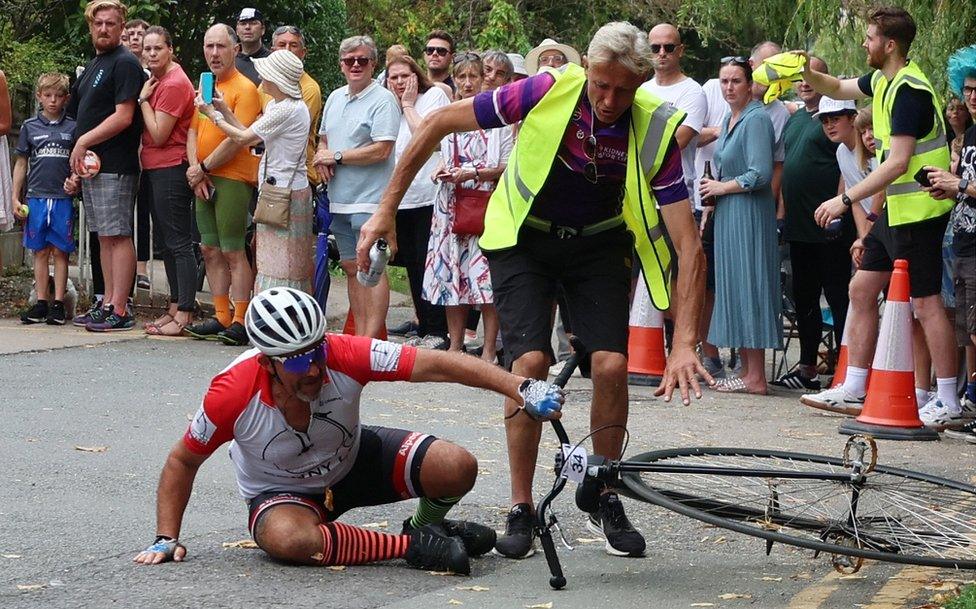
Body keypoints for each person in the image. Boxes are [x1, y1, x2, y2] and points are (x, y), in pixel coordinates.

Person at [359, 21, 711, 559]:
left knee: (614, 366)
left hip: (597, 246)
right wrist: (386, 208)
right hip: (525, 238)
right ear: (588, 71)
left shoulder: (657, 130)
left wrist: (683, 342)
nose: (610, 99)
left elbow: (689, 246)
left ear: (642, 82)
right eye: (601, 85)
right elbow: (438, 122)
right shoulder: (547, 87)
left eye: (624, 88)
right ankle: (521, 505)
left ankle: (604, 490)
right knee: (529, 364)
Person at [132, 287, 564, 573]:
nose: (315, 369)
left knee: (458, 466)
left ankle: (423, 527)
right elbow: (182, 460)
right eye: (298, 362)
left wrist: (521, 386)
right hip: (284, 494)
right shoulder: (232, 392)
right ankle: (409, 547)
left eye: (316, 352)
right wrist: (166, 536)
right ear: (268, 362)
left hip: (353, 461)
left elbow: (437, 364)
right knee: (287, 540)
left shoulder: (343, 352)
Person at [798, 6, 961, 430]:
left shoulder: (910, 91)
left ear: (889, 45)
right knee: (861, 287)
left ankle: (947, 400)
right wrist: (808, 75)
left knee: (926, 307)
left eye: (869, 38)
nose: (864, 44)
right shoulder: (883, 81)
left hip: (921, 212)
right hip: (896, 212)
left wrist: (844, 199)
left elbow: (898, 162)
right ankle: (854, 385)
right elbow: (836, 84)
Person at [198, 50, 313, 295]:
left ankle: (282, 312)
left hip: (284, 193)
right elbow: (251, 135)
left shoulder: (287, 109)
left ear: (278, 80)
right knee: (271, 259)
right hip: (276, 190)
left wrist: (212, 114)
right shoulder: (278, 106)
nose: (262, 78)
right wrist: (224, 108)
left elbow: (242, 138)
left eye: (267, 75)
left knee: (284, 263)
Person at [700, 57, 781, 395]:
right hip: (729, 211)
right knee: (734, 285)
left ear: (750, 85)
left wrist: (722, 187)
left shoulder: (757, 118)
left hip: (749, 212)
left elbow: (760, 172)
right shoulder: (728, 117)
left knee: (751, 284)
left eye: (735, 81)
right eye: (724, 81)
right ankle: (747, 371)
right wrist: (715, 197)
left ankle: (756, 376)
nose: (729, 87)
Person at [423, 53, 511, 362]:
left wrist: (473, 173)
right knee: (452, 277)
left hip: (486, 204)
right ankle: (455, 347)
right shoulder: (448, 114)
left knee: (486, 279)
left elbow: (506, 166)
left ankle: (488, 350)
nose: (468, 82)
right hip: (450, 204)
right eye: (461, 77)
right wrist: (442, 168)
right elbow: (442, 151)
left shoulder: (497, 120)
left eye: (473, 76)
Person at [67, 0, 146, 332]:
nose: (103, 29)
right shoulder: (95, 64)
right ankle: (106, 303)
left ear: (122, 27)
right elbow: (78, 115)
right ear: (90, 27)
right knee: (103, 237)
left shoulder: (125, 63)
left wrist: (84, 141)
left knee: (118, 234)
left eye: (110, 24)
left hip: (116, 163)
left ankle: (121, 307)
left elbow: (124, 115)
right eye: (98, 23)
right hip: (93, 168)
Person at [772, 57, 850, 392]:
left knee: (837, 296)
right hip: (798, 226)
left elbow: (849, 162)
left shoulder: (837, 121)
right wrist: (781, 214)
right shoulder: (795, 120)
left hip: (831, 225)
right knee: (803, 298)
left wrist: (838, 211)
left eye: (812, 76)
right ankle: (807, 370)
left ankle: (848, 371)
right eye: (799, 78)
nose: (805, 82)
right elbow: (789, 167)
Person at [315, 35, 400, 339]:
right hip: (339, 198)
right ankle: (361, 339)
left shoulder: (383, 99)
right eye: (349, 60)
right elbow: (324, 138)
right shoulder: (336, 97)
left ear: (373, 64)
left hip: (371, 200)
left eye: (362, 60)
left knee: (372, 269)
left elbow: (382, 149)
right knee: (352, 268)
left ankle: (373, 340)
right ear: (341, 65)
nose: (355, 65)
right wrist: (322, 156)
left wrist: (336, 156)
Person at [183, 24, 262, 346]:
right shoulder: (205, 88)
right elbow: (191, 131)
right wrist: (194, 169)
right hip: (202, 176)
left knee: (232, 249)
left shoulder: (246, 88)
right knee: (209, 248)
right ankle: (221, 315)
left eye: (221, 47)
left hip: (232, 176)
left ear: (235, 50)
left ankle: (241, 319)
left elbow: (237, 139)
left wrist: (202, 168)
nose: (214, 53)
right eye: (209, 46)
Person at [384, 51, 451, 350]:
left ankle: (439, 329)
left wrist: (409, 105)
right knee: (411, 262)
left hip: (428, 194)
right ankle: (424, 325)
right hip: (402, 197)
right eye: (393, 77)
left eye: (404, 76)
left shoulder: (434, 96)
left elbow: (428, 137)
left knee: (428, 261)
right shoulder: (388, 106)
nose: (399, 83)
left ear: (416, 76)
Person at [928, 45, 976, 440]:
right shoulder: (971, 134)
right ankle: (970, 397)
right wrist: (949, 191)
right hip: (962, 240)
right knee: (965, 326)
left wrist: (958, 183)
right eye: (969, 89)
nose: (973, 97)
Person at [137, 26, 197, 336]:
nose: (151, 54)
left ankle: (185, 313)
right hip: (157, 168)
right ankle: (174, 306)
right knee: (166, 243)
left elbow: (160, 134)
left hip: (172, 167)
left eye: (157, 48)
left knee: (178, 242)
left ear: (170, 49)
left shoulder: (173, 83)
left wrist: (143, 101)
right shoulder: (158, 79)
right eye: (147, 49)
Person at [13, 73, 76, 325]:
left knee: (60, 252)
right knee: (39, 251)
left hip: (61, 198)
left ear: (66, 98)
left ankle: (58, 303)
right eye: (47, 95)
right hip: (36, 198)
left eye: (58, 96)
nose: (52, 101)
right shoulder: (30, 126)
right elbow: (21, 163)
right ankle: (41, 302)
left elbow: (78, 161)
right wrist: (15, 197)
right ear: (39, 96)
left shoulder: (73, 126)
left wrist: (76, 179)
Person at [640, 24, 707, 215]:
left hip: (676, 196)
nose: (662, 53)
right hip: (643, 196)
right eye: (655, 48)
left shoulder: (693, 91)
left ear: (680, 51)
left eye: (669, 47)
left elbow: (678, 141)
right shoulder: (641, 90)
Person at [826, 103, 882, 265]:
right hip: (872, 231)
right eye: (863, 132)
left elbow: (880, 195)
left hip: (888, 227)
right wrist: (863, 237)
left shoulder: (882, 153)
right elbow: (855, 198)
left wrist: (866, 238)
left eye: (835, 119)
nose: (868, 136)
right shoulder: (841, 152)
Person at [271, 26, 323, 193]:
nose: (287, 50)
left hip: (299, 176)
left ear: (303, 53)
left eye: (293, 45)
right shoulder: (266, 84)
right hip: (269, 171)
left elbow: (284, 130)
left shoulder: (309, 88)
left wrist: (263, 121)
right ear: (273, 51)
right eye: (281, 45)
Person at [235, 7, 271, 87]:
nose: (247, 27)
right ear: (237, 30)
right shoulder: (229, 61)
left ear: (263, 29)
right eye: (243, 23)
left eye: (253, 23)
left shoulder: (272, 61)